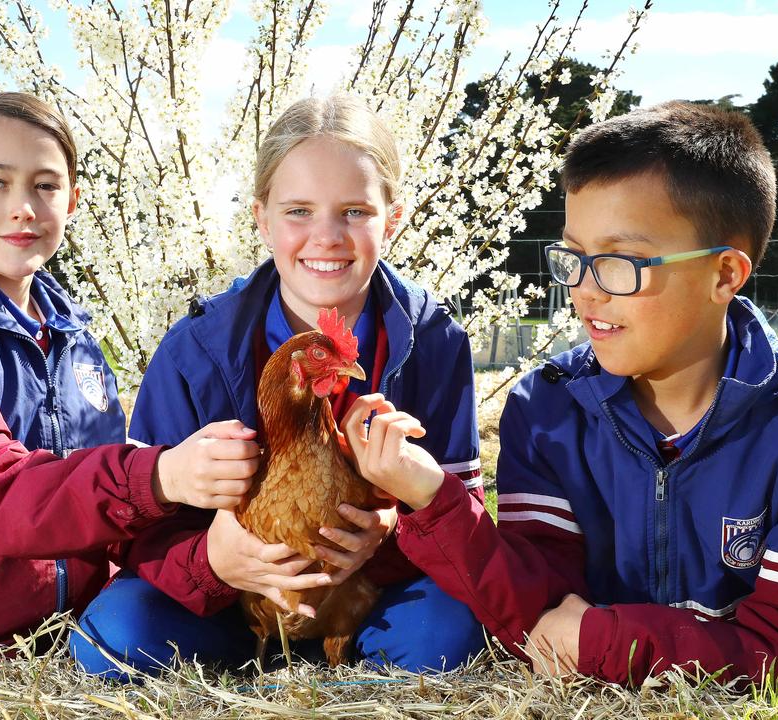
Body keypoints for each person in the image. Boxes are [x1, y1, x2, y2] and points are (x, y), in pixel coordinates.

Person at [343, 101, 778, 689]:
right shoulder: (547, 411)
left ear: (725, 274)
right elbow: (538, 613)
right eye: (573, 258)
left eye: (620, 263)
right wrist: (433, 496)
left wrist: (611, 642)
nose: (585, 291)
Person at [69, 93, 487, 675]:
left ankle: (354, 661)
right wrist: (213, 562)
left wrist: (390, 532)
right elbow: (142, 528)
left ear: (393, 218)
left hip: (368, 600)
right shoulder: (197, 350)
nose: (327, 237)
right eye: (298, 211)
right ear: (262, 219)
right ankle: (249, 652)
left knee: (451, 635)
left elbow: (464, 511)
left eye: (355, 212)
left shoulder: (436, 343)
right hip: (227, 605)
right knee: (112, 637)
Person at [0, 92, 263, 672]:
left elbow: (114, 512)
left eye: (45, 185)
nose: (24, 208)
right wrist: (161, 474)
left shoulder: (75, 342)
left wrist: (214, 559)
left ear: (71, 200)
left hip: (69, 658)